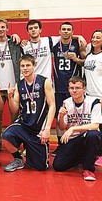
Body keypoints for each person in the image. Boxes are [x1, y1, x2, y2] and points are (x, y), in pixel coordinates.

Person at [2, 54, 55, 172]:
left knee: (40, 167)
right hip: (24, 125)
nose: (25, 68)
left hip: (38, 128)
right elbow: (15, 109)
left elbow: (52, 106)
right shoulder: (19, 85)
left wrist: (47, 129)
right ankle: (18, 159)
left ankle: (31, 148)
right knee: (6, 137)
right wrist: (10, 98)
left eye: (28, 65)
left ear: (34, 66)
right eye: (22, 66)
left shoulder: (44, 82)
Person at [53, 76, 102, 181]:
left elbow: (95, 126)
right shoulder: (66, 103)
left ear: (84, 89)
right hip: (74, 140)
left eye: (77, 88)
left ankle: (88, 169)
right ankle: (86, 157)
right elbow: (62, 127)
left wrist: (73, 129)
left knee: (93, 134)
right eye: (71, 88)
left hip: (90, 137)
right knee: (58, 166)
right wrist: (61, 117)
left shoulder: (94, 102)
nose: (74, 90)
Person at [51, 22, 86, 156]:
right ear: (59, 31)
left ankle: (78, 144)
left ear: (72, 31)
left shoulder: (78, 44)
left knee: (76, 115)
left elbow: (85, 60)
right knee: (60, 116)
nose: (66, 31)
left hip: (74, 87)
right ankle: (61, 145)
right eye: (63, 29)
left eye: (69, 30)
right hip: (58, 87)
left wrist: (76, 58)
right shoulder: (54, 45)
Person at [0, 18, 21, 151]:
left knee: (15, 117)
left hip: (12, 86)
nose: (0, 29)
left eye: (3, 27)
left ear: (7, 28)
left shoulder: (14, 43)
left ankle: (14, 143)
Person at [83, 29, 102, 166]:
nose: (94, 39)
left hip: (100, 94)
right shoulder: (90, 55)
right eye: (93, 37)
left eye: (98, 37)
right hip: (89, 95)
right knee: (93, 127)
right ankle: (95, 153)